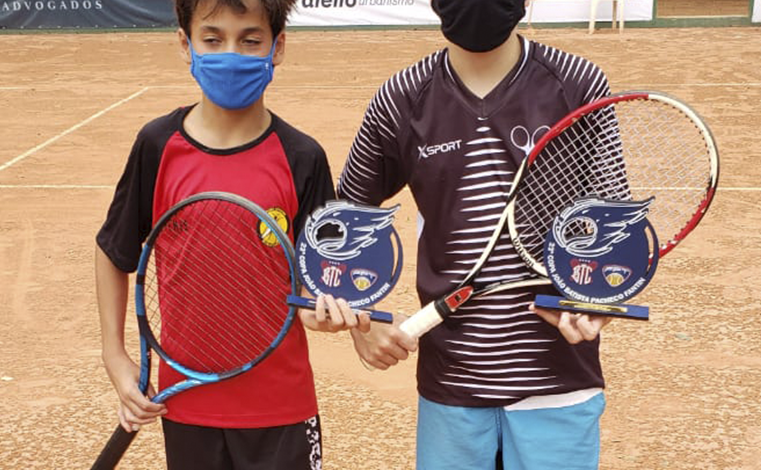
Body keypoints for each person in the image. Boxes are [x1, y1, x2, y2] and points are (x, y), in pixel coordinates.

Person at [337, 1, 615, 469]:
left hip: (559, 380)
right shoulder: (401, 97)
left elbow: (612, 229)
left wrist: (594, 301)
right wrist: (360, 321)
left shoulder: (578, 83)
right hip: (452, 386)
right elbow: (344, 224)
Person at [94, 1, 367, 468]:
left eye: (250, 40)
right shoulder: (157, 146)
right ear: (186, 44)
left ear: (278, 47)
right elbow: (113, 252)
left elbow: (321, 280)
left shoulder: (302, 157)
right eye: (213, 39)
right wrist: (114, 356)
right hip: (186, 406)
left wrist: (324, 313)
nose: (231, 54)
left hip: (282, 406)